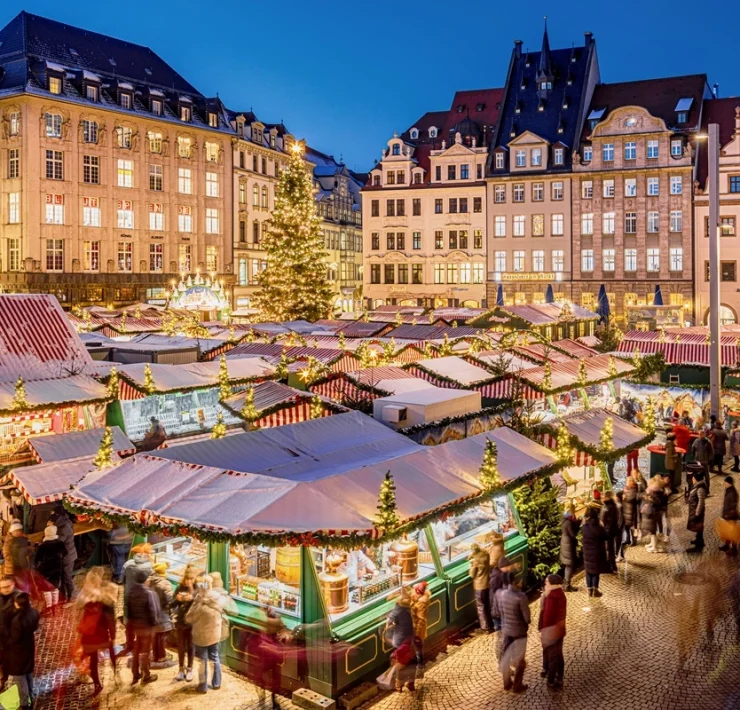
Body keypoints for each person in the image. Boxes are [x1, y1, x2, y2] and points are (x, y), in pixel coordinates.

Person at [78, 578, 118, 697]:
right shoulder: (106, 606)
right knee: (111, 653)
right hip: (102, 637)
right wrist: (113, 636)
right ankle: (115, 674)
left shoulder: (87, 605)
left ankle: (97, 684)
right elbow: (111, 622)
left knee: (93, 662)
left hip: (89, 638)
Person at [185, 575, 223, 694]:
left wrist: (197, 599)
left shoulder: (200, 603)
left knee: (203, 661)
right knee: (215, 658)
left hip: (201, 637)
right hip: (215, 635)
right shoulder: (217, 598)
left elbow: (189, 618)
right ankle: (217, 683)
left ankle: (203, 686)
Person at [126, 568, 159, 685]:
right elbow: (152, 611)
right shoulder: (148, 593)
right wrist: (154, 624)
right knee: (145, 651)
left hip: (136, 627)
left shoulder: (131, 591)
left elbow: (128, 610)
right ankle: (146, 674)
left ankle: (135, 674)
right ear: (146, 579)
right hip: (146, 628)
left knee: (136, 651)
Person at [6, 592, 39, 707]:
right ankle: (32, 695)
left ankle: (25, 703)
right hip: (29, 647)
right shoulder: (34, 613)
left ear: (17, 604)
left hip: (18, 653)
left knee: (20, 678)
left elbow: (14, 639)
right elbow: (35, 627)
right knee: (28, 673)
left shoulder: (17, 621)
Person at [497, 575, 530, 693]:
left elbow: (500, 612)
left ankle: (506, 683)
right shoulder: (521, 597)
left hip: (506, 631)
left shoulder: (503, 594)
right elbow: (527, 618)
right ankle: (517, 686)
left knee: (506, 657)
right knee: (520, 661)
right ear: (517, 582)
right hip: (519, 632)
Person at [538, 574, 567, 689]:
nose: (545, 583)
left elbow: (547, 617)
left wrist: (543, 631)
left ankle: (551, 680)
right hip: (559, 629)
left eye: (547, 582)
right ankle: (559, 677)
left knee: (553, 656)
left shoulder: (552, 597)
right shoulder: (559, 594)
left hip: (551, 631)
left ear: (552, 584)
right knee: (558, 654)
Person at [171, 566, 197, 682]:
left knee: (191, 646)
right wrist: (177, 599)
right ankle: (181, 669)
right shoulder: (179, 588)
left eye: (190, 579)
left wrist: (192, 597)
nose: (188, 582)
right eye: (187, 579)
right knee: (181, 646)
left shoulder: (198, 589)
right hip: (181, 622)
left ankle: (190, 668)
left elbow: (200, 604)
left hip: (192, 623)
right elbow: (171, 604)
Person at [33, 524, 66, 610]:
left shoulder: (43, 546)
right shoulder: (60, 544)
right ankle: (55, 607)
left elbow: (37, 560)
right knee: (55, 589)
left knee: (47, 590)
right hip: (57, 570)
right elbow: (65, 553)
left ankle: (49, 607)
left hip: (46, 571)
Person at [146, 562, 174, 664]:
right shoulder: (165, 584)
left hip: (152, 613)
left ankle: (155, 654)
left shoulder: (149, 582)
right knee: (162, 635)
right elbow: (170, 599)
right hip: (163, 613)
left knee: (156, 634)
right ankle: (161, 656)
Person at [49, 506, 77, 601]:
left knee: (67, 578)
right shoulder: (65, 521)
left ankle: (71, 598)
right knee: (64, 577)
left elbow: (58, 541)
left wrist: (48, 535)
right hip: (67, 555)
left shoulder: (63, 528)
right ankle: (65, 596)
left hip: (67, 557)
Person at [581, 508, 607, 597]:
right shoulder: (599, 528)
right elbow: (605, 537)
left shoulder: (584, 528)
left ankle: (589, 589)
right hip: (597, 552)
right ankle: (595, 590)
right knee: (596, 572)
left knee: (588, 571)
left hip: (587, 553)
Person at [0, 576, 19, 687]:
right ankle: (2, 677)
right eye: (2, 587)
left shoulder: (19, 598)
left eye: (8, 586)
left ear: (13, 584)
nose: (5, 589)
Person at [468, 543, 491, 632]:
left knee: (481, 607)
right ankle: (491, 623)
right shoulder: (486, 555)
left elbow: (472, 574)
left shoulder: (476, 561)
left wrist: (471, 565)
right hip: (487, 583)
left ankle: (485, 627)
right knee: (487, 604)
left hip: (479, 586)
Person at [687, 469, 709, 553]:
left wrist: (697, 512)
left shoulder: (700, 488)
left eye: (693, 478)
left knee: (698, 526)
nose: (692, 480)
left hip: (697, 511)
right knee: (697, 526)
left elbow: (701, 501)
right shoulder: (697, 486)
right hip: (694, 509)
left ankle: (698, 546)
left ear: (696, 479)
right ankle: (699, 540)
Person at [409, 581, 430, 665]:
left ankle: (420, 663)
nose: (413, 591)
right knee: (416, 645)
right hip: (413, 625)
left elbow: (421, 620)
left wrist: (417, 634)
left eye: (414, 590)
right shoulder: (418, 597)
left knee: (418, 645)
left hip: (417, 628)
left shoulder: (421, 603)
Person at [490, 555, 513, 631]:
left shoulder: (502, 573)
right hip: (497, 602)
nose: (510, 568)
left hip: (499, 601)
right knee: (499, 623)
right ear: (504, 567)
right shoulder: (497, 576)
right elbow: (494, 590)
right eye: (508, 566)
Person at [599, 491, 620, 572]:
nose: (601, 498)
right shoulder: (606, 505)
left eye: (603, 496)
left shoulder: (610, 507)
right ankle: (610, 565)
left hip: (609, 531)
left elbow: (610, 522)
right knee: (609, 549)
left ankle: (612, 566)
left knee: (610, 549)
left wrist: (606, 532)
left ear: (607, 497)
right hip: (607, 530)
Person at [559, 511, 580, 592]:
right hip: (568, 545)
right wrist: (578, 524)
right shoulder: (568, 523)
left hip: (565, 543)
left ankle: (566, 584)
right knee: (570, 565)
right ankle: (567, 585)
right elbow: (573, 534)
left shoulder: (565, 522)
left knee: (568, 565)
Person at [720, 475, 740, 553]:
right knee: (727, 531)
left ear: (729, 483)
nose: (723, 483)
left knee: (733, 532)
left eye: (725, 482)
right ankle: (726, 545)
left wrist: (728, 514)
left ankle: (734, 549)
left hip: (731, 516)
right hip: (727, 514)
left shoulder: (733, 493)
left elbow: (733, 506)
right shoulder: (728, 490)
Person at [622, 476, 639, 548]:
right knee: (626, 526)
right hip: (626, 510)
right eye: (627, 481)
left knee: (631, 526)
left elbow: (631, 498)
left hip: (631, 510)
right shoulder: (626, 489)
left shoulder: (634, 489)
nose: (627, 482)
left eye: (629, 481)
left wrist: (625, 497)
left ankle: (634, 541)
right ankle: (628, 539)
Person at [614, 491, 626, 562]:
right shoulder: (619, 504)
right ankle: (621, 555)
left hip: (619, 526)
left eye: (615, 496)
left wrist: (618, 526)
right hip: (619, 525)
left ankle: (619, 555)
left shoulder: (620, 506)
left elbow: (620, 518)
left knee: (618, 541)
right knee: (618, 540)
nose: (614, 497)